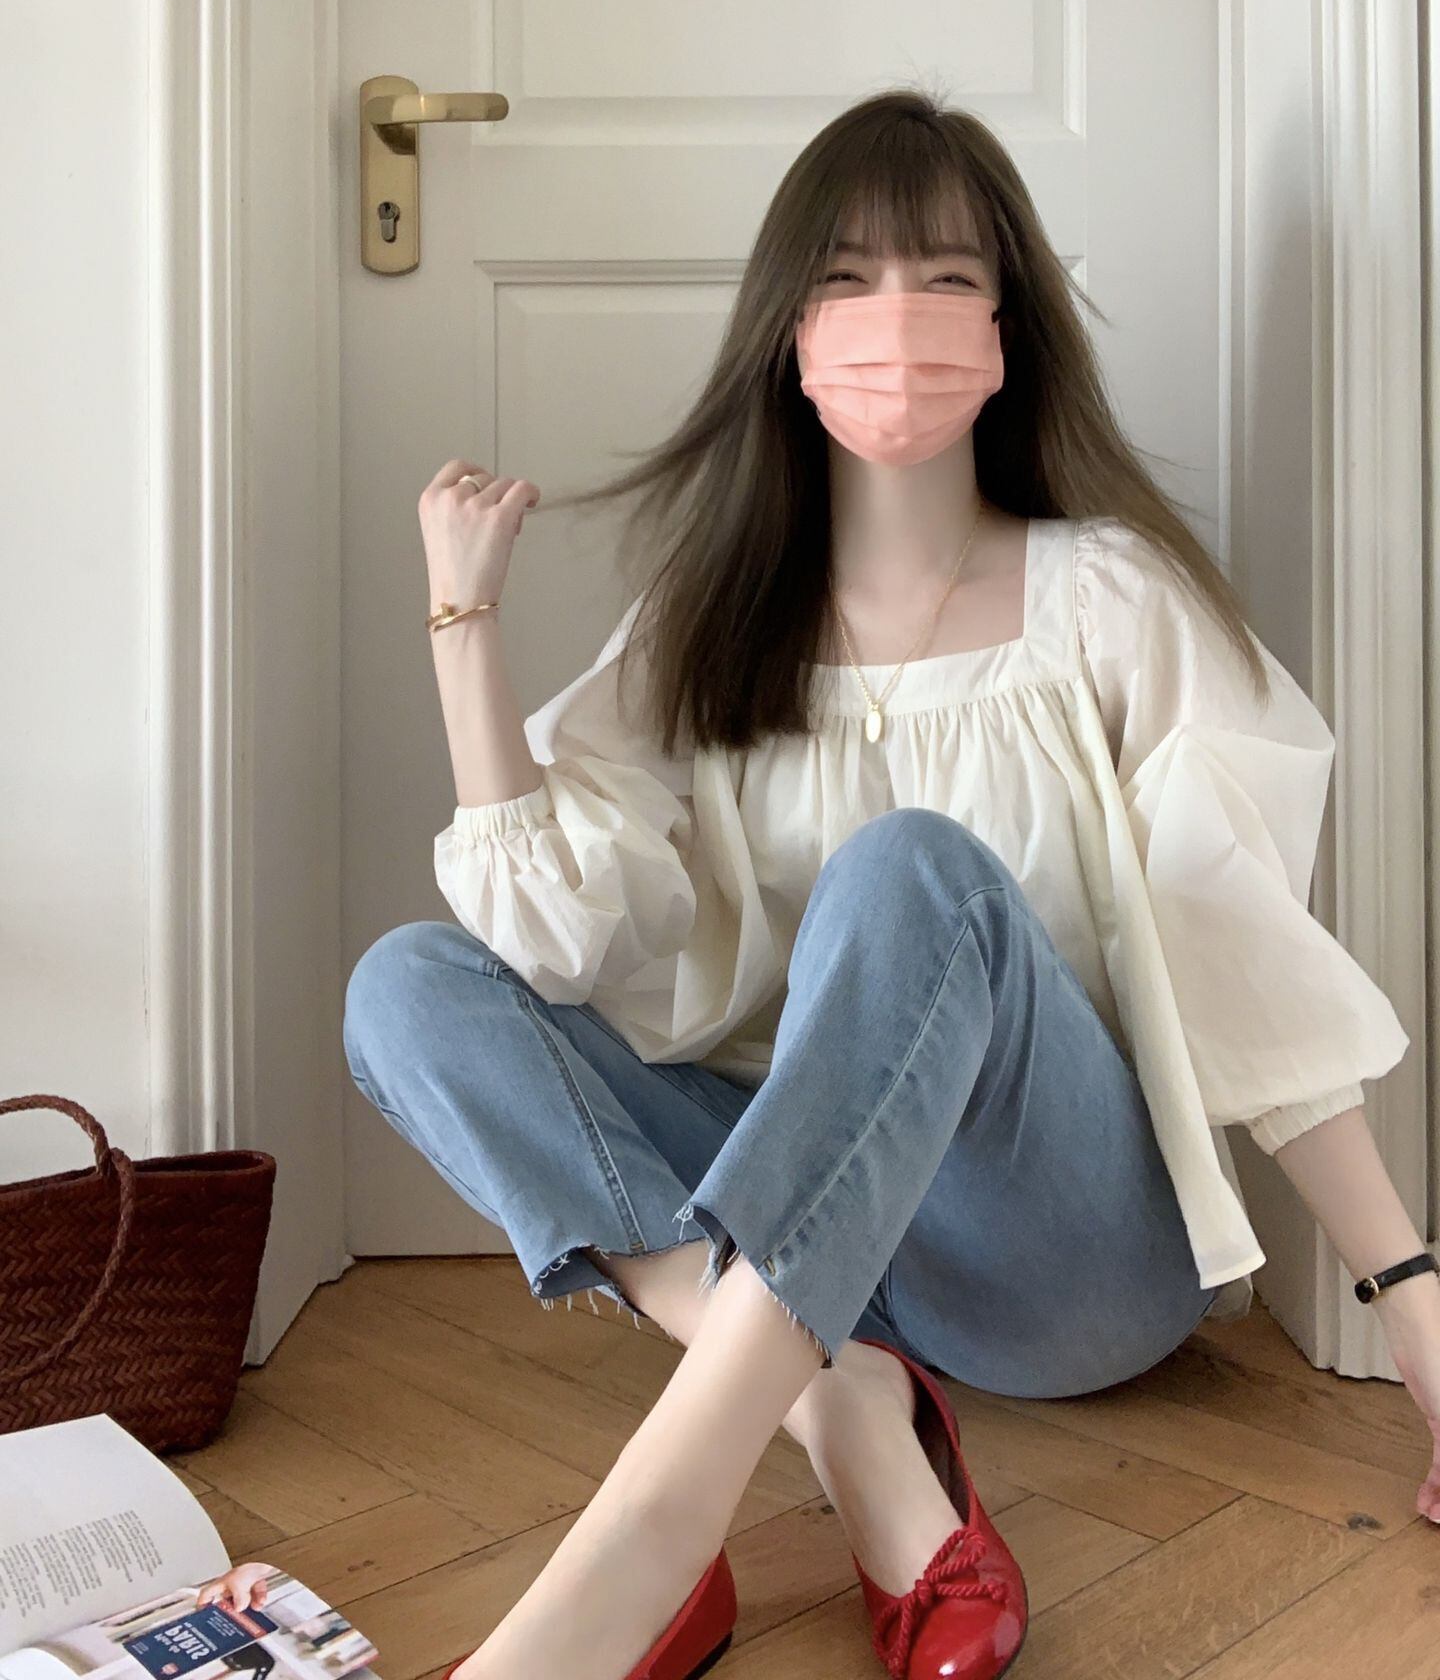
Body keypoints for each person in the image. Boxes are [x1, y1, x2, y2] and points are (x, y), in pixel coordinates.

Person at [342, 87, 1439, 1680]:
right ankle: (842, 1403)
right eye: (848, 279)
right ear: (789, 334)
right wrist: (466, 627)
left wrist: (1407, 1290)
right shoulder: (716, 623)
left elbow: (1239, 945)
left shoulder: (1106, 601)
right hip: (819, 1251)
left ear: (1007, 328)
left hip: (1056, 1261)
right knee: (408, 986)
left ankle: (652, 1530)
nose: (897, 319)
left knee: (910, 872)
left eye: (946, 277)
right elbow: (556, 934)